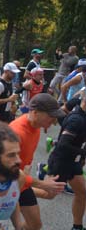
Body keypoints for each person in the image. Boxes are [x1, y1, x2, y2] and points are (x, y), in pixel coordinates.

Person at [9, 93, 66, 230]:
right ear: (35, 113)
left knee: (35, 225)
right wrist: (43, 184)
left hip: (21, 183)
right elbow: (10, 173)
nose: (54, 121)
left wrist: (47, 187)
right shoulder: (16, 132)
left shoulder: (36, 126)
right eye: (50, 116)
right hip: (5, 186)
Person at [47, 90, 86, 230]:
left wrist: (81, 157)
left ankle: (77, 226)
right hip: (62, 161)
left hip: (72, 162)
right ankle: (22, 190)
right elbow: (63, 144)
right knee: (49, 194)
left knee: (82, 192)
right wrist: (83, 152)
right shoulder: (77, 119)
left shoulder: (82, 115)